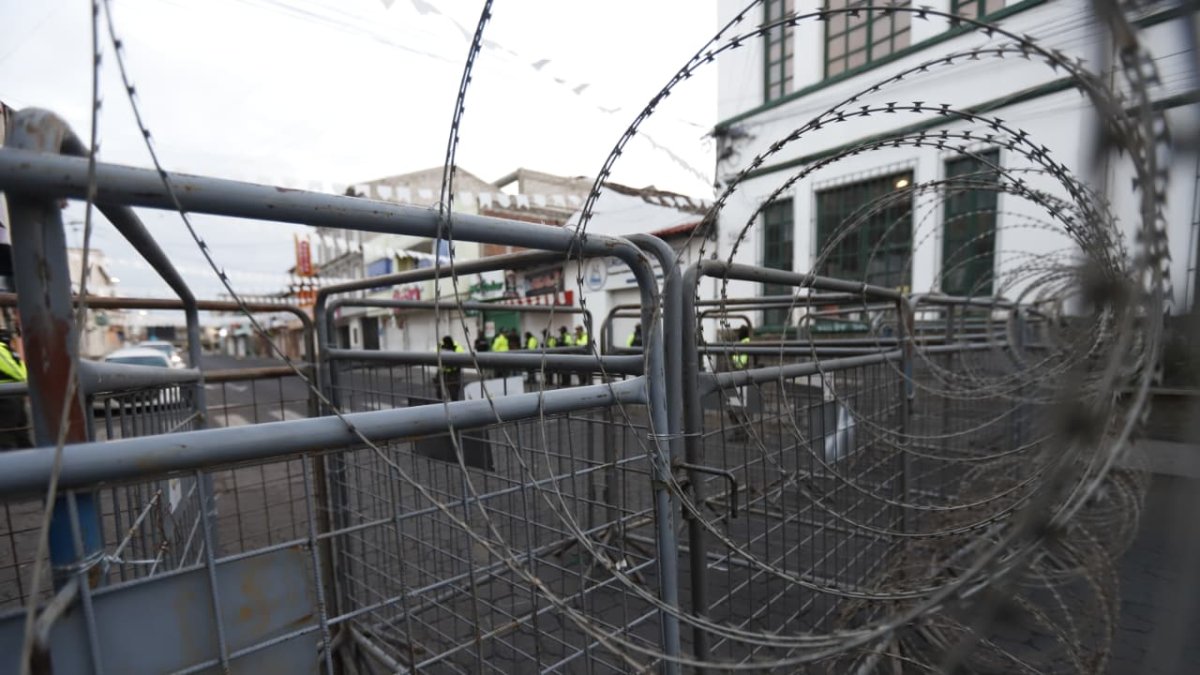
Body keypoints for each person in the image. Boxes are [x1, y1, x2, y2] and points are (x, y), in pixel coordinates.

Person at [0, 327, 30, 449]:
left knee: (14, 435)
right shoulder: (4, 349)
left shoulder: (5, 349)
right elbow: (20, 373)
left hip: (9, 397)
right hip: (8, 397)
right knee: (15, 435)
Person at [438, 335, 464, 400]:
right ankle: (444, 402)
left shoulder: (456, 348)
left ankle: (452, 404)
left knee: (453, 392)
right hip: (446, 372)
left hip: (452, 373)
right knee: (440, 391)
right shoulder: (442, 347)